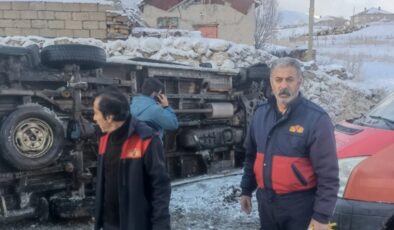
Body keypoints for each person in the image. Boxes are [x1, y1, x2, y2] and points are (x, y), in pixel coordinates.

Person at [240, 57, 339, 230]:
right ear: (271, 82)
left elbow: (328, 174)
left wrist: (321, 217)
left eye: (289, 79)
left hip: (300, 206)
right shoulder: (261, 114)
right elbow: (251, 156)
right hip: (266, 203)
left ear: (299, 82)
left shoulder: (316, 119)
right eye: (278, 80)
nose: (283, 86)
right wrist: (246, 190)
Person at [93, 87, 171, 230]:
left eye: (96, 113)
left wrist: (161, 226)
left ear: (109, 117)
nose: (94, 118)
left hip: (135, 224)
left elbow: (160, 188)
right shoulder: (104, 139)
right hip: (108, 223)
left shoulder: (147, 139)